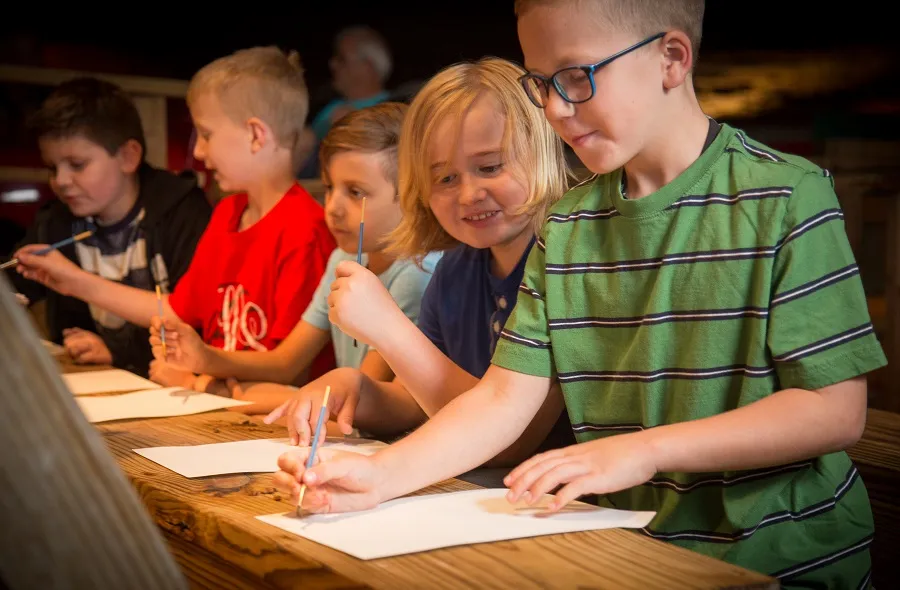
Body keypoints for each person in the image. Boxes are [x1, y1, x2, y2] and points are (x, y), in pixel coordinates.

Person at [273, 2, 885, 587]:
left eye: (576, 76)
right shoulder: (567, 226)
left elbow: (832, 409)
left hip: (780, 559)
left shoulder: (786, 195)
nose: (556, 109)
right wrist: (379, 475)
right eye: (543, 83)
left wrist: (643, 451)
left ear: (672, 58)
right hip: (624, 548)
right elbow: (502, 403)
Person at [266, 57, 575, 468]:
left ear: (541, 151)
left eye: (489, 167)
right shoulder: (454, 269)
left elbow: (509, 442)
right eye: (445, 178)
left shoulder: (564, 264)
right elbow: (420, 401)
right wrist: (356, 387)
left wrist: (388, 327)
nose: (468, 194)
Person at [14, 47, 336, 393]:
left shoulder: (305, 230)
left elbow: (291, 371)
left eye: (207, 135)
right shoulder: (228, 213)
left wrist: (199, 377)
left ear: (256, 135)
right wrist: (72, 280)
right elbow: (176, 309)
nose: (198, 152)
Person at [148, 102, 440, 415]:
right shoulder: (342, 257)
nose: (333, 207)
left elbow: (356, 395)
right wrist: (203, 358)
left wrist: (204, 387)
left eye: (355, 192)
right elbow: (286, 362)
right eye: (330, 188)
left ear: (412, 196)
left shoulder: (415, 275)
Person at [6, 77, 211, 377]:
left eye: (77, 164)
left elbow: (196, 322)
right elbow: (14, 287)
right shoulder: (57, 221)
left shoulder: (182, 211)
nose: (61, 181)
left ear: (129, 156)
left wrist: (119, 352)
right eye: (52, 168)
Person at [296, 26, 392, 178]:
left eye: (342, 59)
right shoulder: (324, 104)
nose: (333, 64)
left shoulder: (391, 108)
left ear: (367, 66)